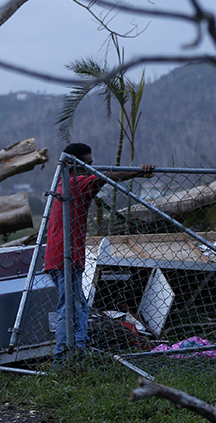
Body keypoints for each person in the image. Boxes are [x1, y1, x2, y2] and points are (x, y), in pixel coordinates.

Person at [44, 142, 153, 360]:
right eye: (88, 165)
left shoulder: (69, 185)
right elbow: (104, 176)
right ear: (74, 166)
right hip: (66, 256)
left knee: (77, 305)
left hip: (66, 255)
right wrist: (138, 172)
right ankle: (65, 356)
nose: (91, 169)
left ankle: (77, 350)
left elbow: (101, 178)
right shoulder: (73, 184)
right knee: (71, 307)